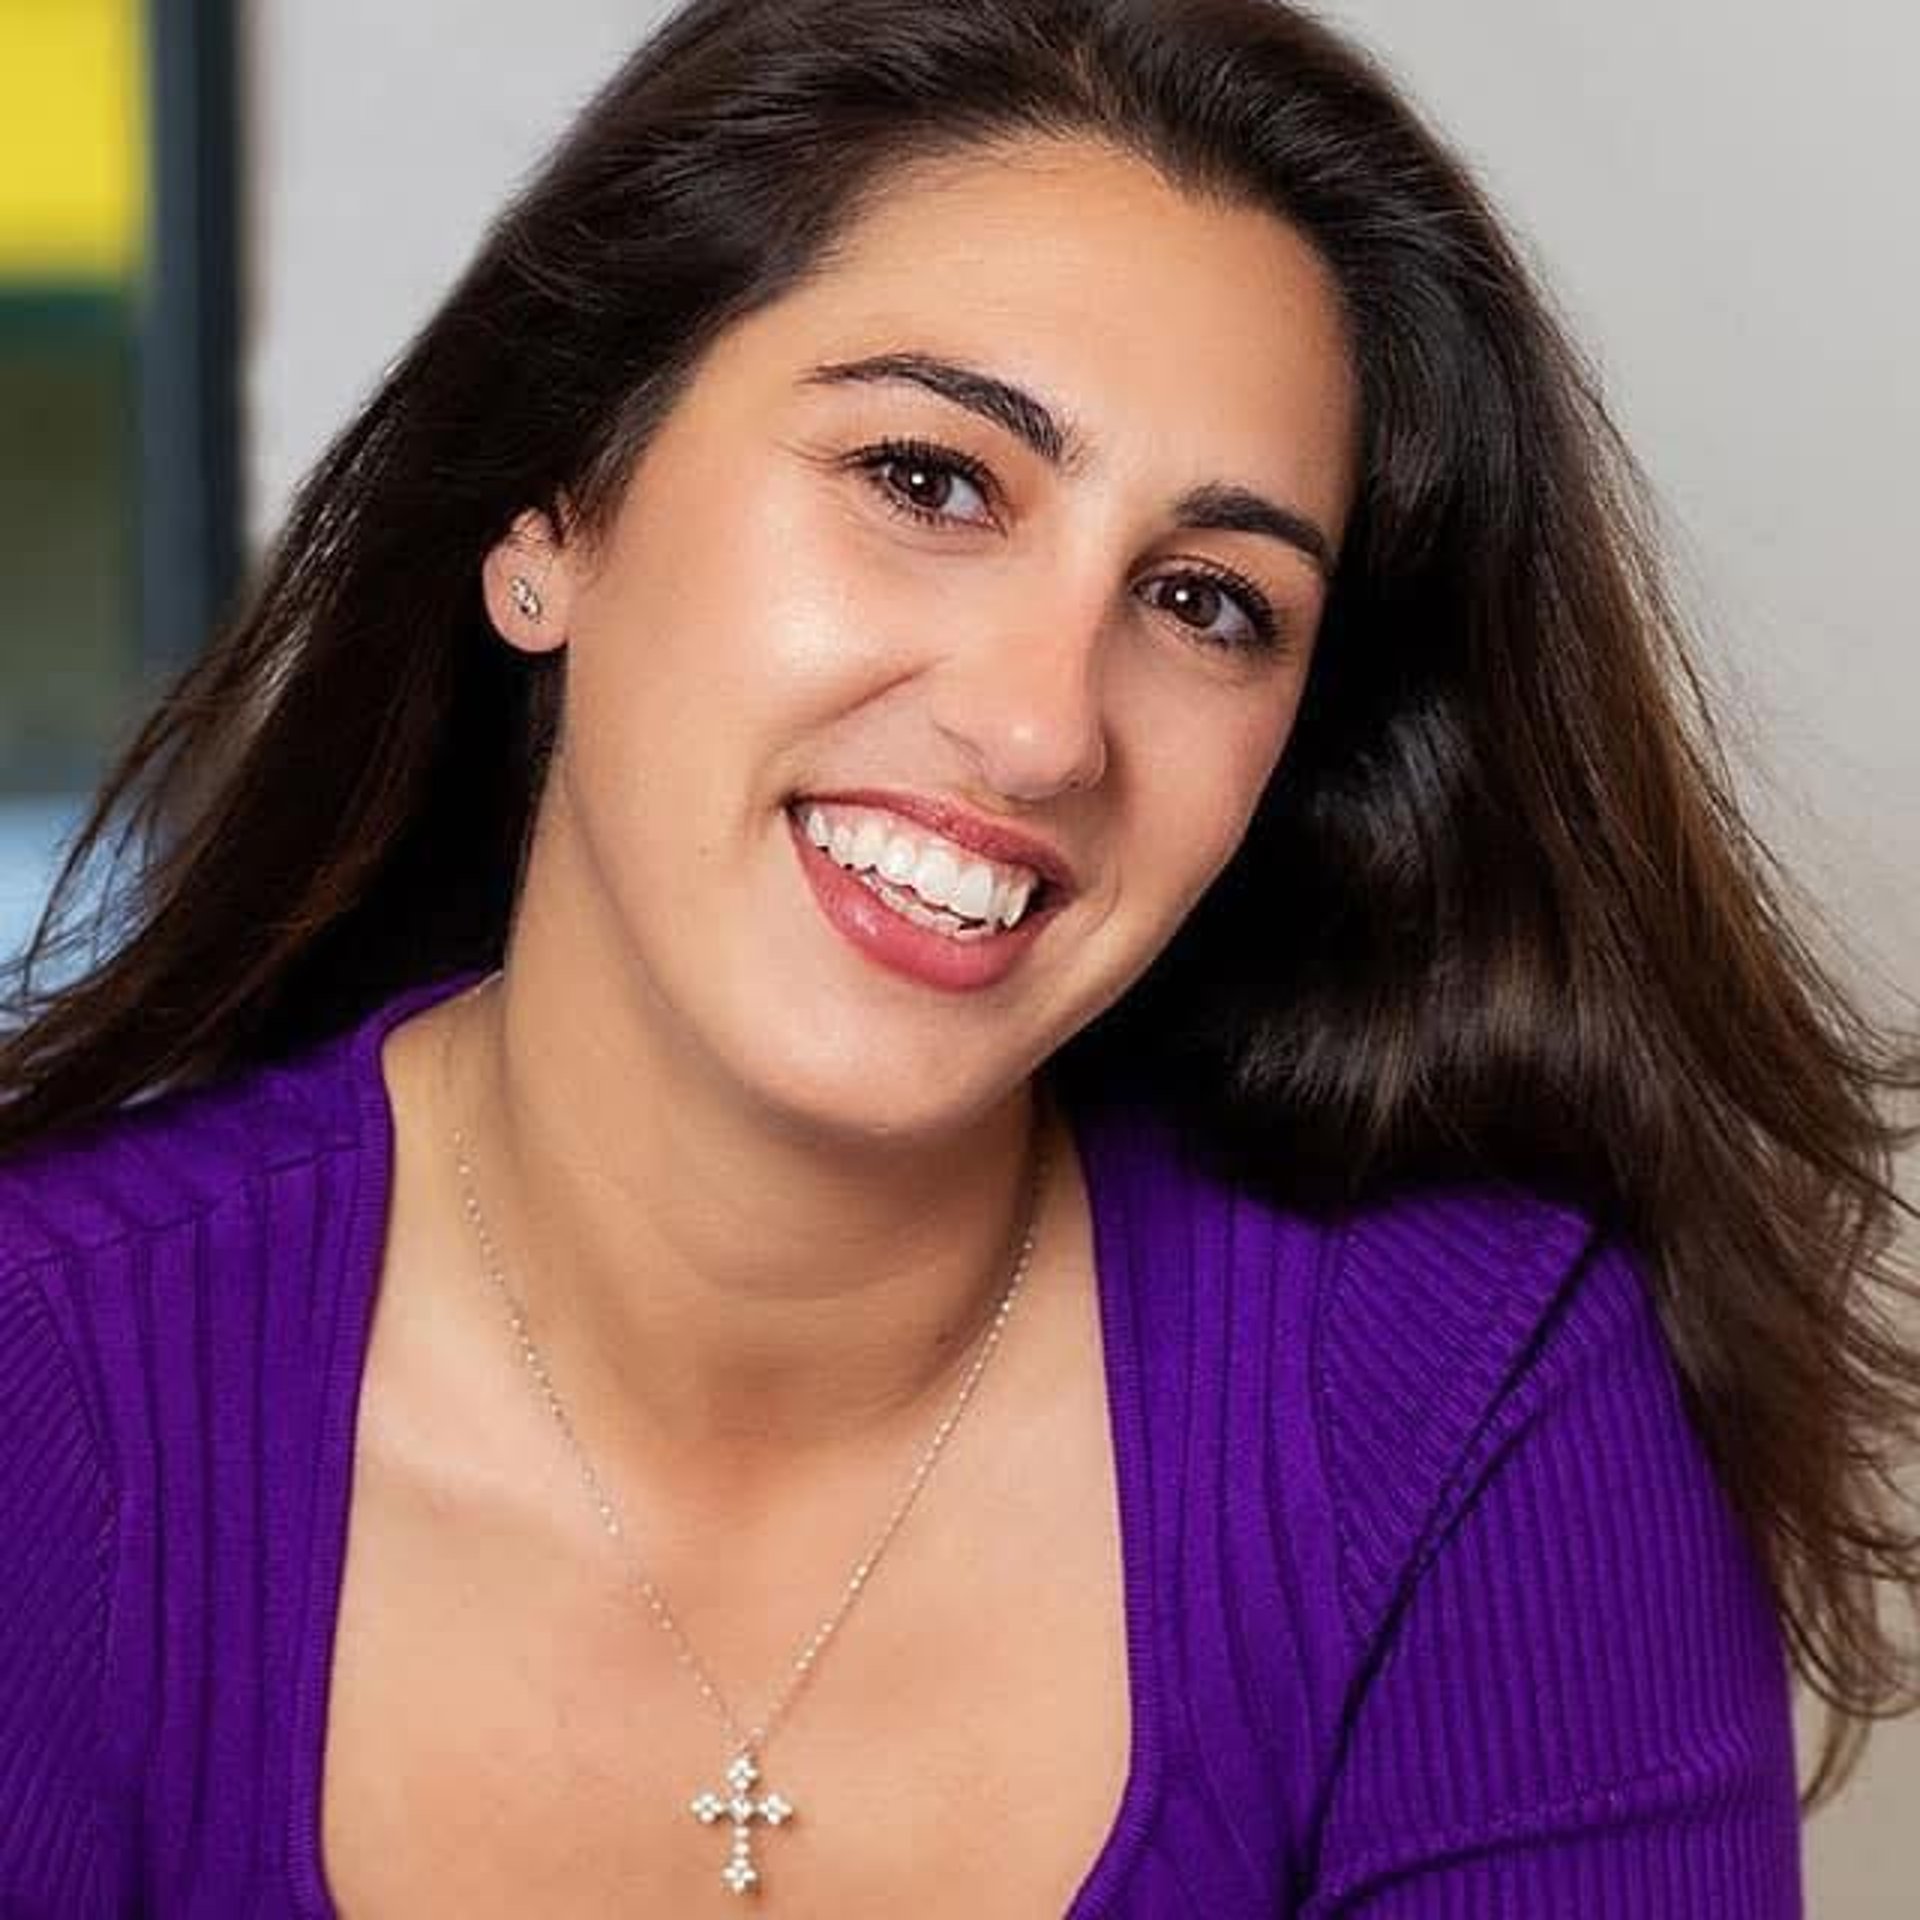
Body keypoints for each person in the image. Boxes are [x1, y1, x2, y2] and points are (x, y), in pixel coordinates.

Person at [3, 0, 1915, 1911]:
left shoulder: (1466, 1412)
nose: (1039, 731)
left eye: (1206, 601)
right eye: (928, 482)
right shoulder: (37, 1376)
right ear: (560, 507)